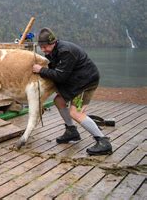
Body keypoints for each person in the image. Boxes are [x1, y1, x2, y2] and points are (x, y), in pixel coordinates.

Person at [32, 27, 112, 156]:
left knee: (76, 113)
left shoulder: (66, 51)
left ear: (53, 42)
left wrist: (41, 70)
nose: (43, 50)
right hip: (76, 81)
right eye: (41, 47)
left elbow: (60, 76)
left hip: (86, 83)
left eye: (46, 46)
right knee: (58, 101)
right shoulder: (53, 51)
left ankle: (103, 141)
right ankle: (71, 131)